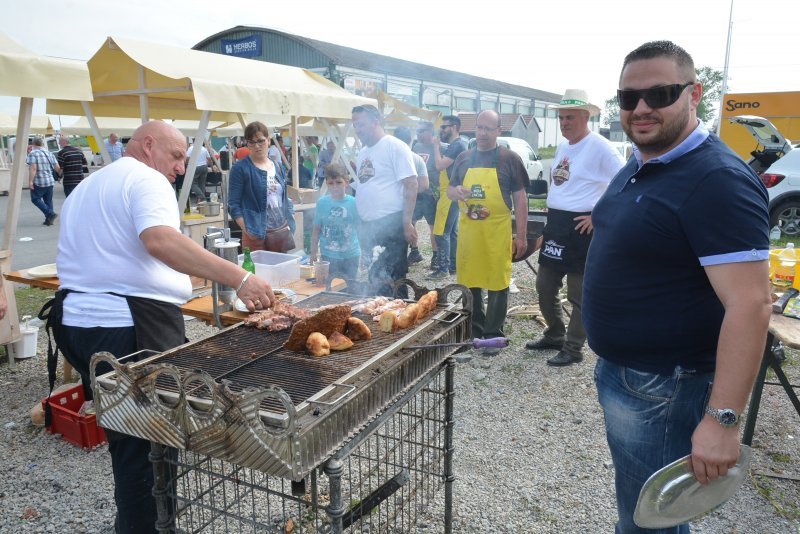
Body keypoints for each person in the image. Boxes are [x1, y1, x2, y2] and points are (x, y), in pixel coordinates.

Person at [583, 41, 771, 533]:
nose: (641, 108)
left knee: (653, 524)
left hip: (666, 386)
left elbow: (751, 303)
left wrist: (722, 421)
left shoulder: (717, 179)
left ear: (694, 94)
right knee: (639, 506)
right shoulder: (646, 158)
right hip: (629, 375)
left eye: (660, 93)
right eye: (628, 98)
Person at [51, 120, 275, 534]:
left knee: (126, 435)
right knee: (148, 444)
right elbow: (160, 240)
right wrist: (240, 278)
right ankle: (147, 527)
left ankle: (141, 523)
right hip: (127, 327)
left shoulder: (89, 186)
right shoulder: (145, 179)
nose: (178, 168)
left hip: (79, 325)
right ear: (148, 145)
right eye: (175, 157)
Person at [525, 90, 625, 367]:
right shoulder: (562, 147)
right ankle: (555, 334)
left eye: (570, 117)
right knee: (544, 285)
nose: (564, 123)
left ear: (585, 117)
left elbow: (626, 182)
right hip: (557, 222)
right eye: (561, 117)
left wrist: (598, 216)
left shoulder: (601, 147)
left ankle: (573, 348)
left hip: (583, 226)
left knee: (577, 293)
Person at [447, 110, 528, 356]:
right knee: (470, 281)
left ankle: (493, 333)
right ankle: (474, 329)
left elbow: (521, 200)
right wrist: (457, 191)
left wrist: (521, 236)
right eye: (479, 128)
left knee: (497, 282)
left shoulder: (509, 159)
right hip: (470, 232)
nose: (482, 133)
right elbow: (449, 190)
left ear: (498, 132)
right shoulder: (463, 157)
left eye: (488, 129)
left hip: (496, 231)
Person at [350, 104, 418, 297]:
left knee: (393, 278)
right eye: (355, 125)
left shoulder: (395, 146)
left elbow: (411, 184)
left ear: (375, 122)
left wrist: (407, 223)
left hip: (391, 226)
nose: (357, 130)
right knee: (374, 276)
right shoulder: (363, 152)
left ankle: (399, 320)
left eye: (361, 124)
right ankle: (381, 319)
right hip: (369, 227)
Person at [228, 121, 296, 253]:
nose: (257, 146)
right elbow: (233, 205)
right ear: (247, 144)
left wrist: (290, 221)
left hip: (279, 231)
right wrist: (248, 230)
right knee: (256, 272)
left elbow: (285, 198)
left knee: (279, 271)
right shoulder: (240, 168)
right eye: (251, 142)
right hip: (255, 233)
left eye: (260, 141)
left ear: (268, 141)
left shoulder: (277, 166)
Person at [429, 115, 468, 279]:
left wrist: (436, 147)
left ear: (453, 127)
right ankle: (453, 265)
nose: (442, 130)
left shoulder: (457, 145)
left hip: (449, 193)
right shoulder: (457, 145)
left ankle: (443, 269)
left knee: (441, 232)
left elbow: (439, 165)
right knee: (452, 232)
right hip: (451, 193)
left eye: (444, 127)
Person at [310, 163, 361, 282]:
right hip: (328, 255)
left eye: (339, 182)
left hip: (351, 255)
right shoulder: (322, 203)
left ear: (346, 182)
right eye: (331, 183)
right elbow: (316, 229)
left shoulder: (354, 203)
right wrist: (313, 253)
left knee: (349, 288)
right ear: (326, 183)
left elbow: (360, 229)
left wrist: (366, 252)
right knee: (330, 288)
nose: (335, 187)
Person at [410, 121, 441, 268]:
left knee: (433, 226)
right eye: (417, 131)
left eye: (422, 131)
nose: (419, 134)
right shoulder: (416, 147)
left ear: (430, 132)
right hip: (417, 192)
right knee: (411, 222)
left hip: (431, 194)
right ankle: (414, 251)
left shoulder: (439, 147)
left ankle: (436, 256)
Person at [26, 137, 61, 226]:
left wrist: (30, 181)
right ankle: (49, 220)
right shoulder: (49, 153)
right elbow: (57, 168)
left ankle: (50, 214)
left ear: (33, 144)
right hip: (50, 180)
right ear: (41, 143)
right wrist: (60, 177)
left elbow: (33, 168)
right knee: (48, 200)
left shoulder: (32, 154)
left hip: (39, 181)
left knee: (35, 199)